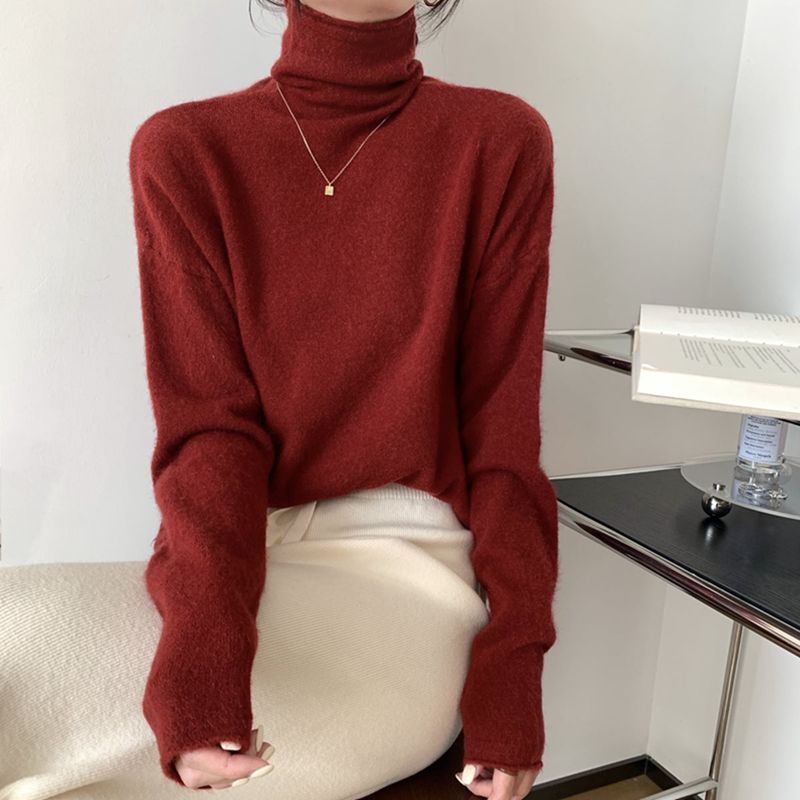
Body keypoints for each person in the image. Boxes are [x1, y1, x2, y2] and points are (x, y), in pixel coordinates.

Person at [0, 1, 559, 798]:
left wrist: (513, 665)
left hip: (412, 572)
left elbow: (504, 439)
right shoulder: (187, 151)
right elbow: (211, 435)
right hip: (233, 561)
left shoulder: (499, 142)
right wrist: (203, 658)